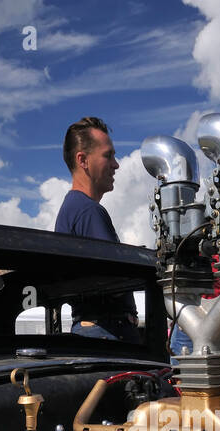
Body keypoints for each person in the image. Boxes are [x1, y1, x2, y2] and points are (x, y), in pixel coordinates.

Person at [54, 116, 140, 343]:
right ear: (82, 160)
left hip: (94, 329)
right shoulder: (88, 212)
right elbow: (116, 282)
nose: (116, 164)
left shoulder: (71, 209)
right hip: (109, 331)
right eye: (108, 155)